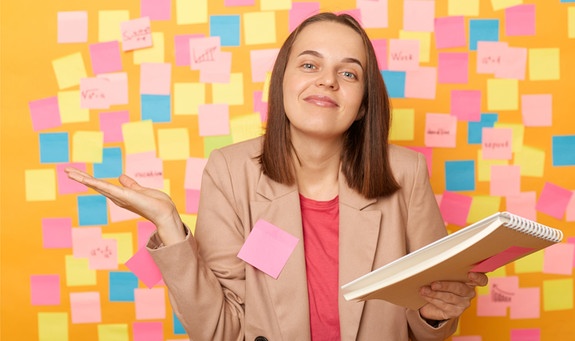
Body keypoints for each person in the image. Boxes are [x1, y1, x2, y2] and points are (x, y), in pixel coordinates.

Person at [66, 12, 488, 341]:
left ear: (362, 104)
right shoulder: (230, 172)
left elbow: (427, 321)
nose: (327, 80)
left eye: (348, 73)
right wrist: (170, 228)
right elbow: (219, 331)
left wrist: (436, 311)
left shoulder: (406, 173)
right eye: (309, 64)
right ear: (282, 83)